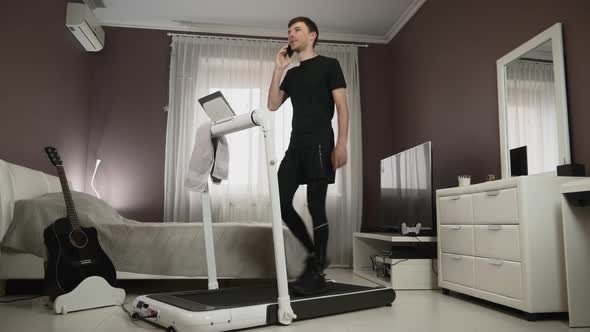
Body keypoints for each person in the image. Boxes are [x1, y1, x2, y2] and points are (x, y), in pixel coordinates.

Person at [267, 16, 349, 295]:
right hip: (296, 145)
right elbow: (273, 104)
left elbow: (342, 106)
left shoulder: (329, 65)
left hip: (320, 143)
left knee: (316, 205)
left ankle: (316, 267)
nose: (290, 34)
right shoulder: (292, 74)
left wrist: (342, 143)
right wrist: (278, 69)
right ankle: (317, 256)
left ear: (312, 35)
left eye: (297, 30)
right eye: (288, 30)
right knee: (279, 202)